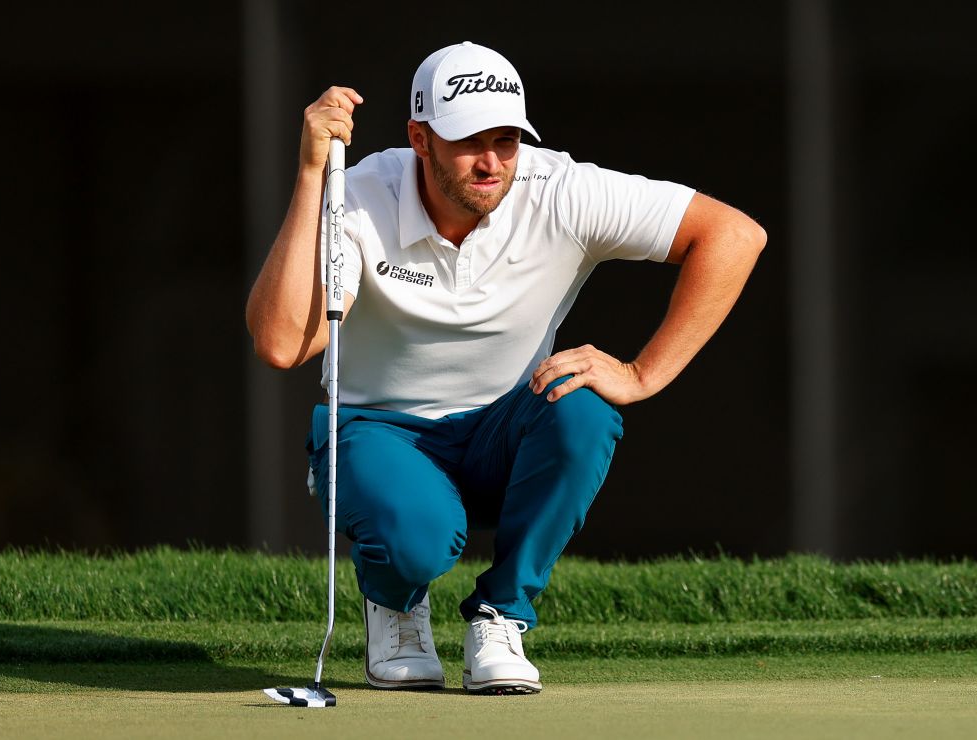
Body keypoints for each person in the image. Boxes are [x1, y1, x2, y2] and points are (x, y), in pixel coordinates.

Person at [245, 40, 766, 695]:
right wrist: (312, 176)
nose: (491, 161)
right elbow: (283, 343)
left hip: (502, 436)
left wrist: (642, 374)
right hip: (380, 434)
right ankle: (396, 601)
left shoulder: (561, 190)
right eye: (468, 141)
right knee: (418, 538)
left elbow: (734, 235)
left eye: (507, 140)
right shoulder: (362, 195)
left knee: (582, 409)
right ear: (421, 138)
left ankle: (500, 616)